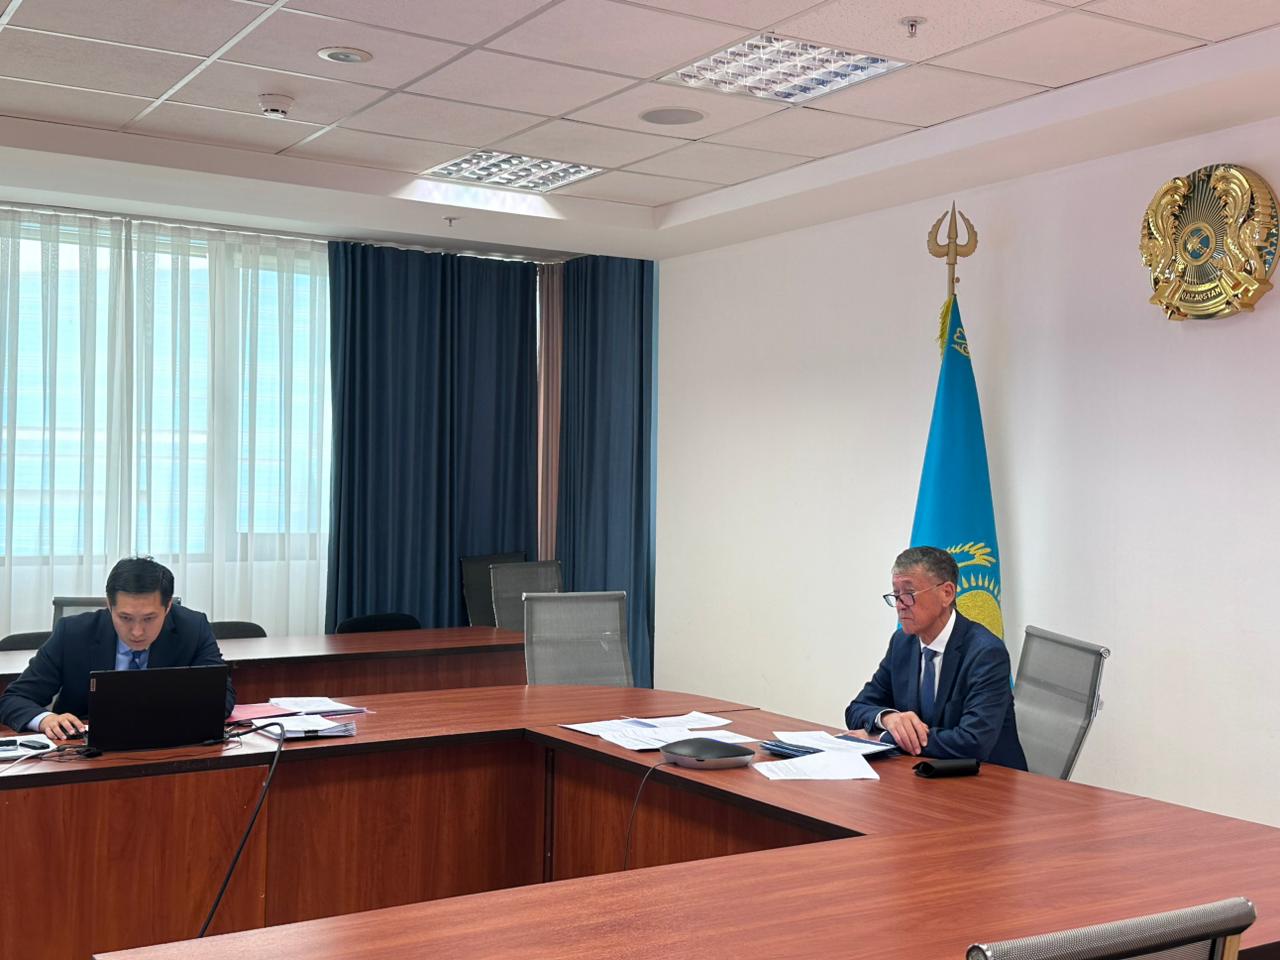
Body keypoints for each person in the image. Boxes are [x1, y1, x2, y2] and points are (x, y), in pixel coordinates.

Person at [0, 557, 236, 739]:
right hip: (83, 753)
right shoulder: (72, 634)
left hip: (167, 746)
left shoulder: (192, 629)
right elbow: (14, 699)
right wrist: (45, 719)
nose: (137, 632)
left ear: (167, 608)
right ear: (109, 606)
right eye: (125, 618)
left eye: (149, 618)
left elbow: (221, 697)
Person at [845, 546, 1027, 769]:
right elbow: (857, 708)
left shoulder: (986, 653)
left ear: (947, 593)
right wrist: (888, 718)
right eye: (896, 594)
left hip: (986, 779)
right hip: (925, 771)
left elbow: (973, 742)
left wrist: (884, 738)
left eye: (909, 594)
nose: (900, 605)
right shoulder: (902, 643)